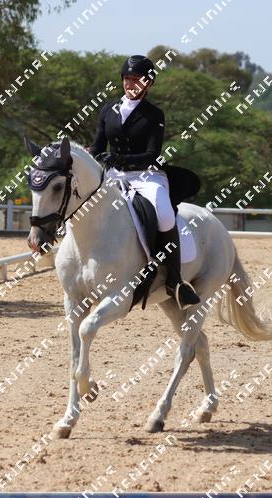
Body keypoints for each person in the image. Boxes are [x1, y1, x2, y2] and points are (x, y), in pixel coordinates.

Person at [89, 55, 201, 310]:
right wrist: (88, 155)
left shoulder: (154, 114)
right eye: (127, 79)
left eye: (136, 79)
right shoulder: (108, 110)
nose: (130, 84)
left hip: (147, 176)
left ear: (148, 83)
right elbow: (97, 146)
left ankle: (175, 280)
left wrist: (119, 158)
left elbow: (152, 154)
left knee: (165, 215)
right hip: (114, 175)